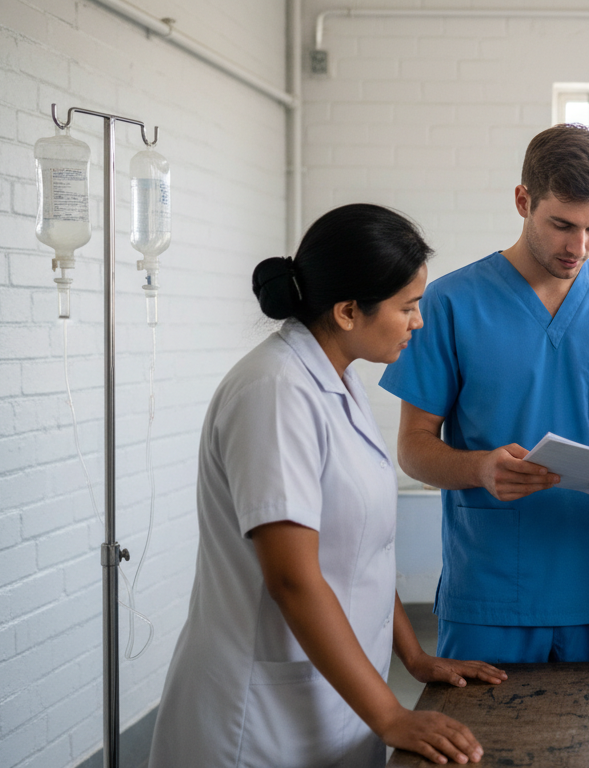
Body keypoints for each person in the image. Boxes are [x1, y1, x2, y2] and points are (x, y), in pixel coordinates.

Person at [150, 204, 506, 768]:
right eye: (408, 307)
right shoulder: (274, 392)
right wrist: (391, 714)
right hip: (259, 719)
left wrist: (413, 657)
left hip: (335, 697)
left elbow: (364, 549)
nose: (419, 322)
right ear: (346, 311)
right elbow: (293, 577)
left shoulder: (338, 380)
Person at [381, 124, 589, 664]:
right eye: (563, 225)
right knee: (489, 748)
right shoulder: (450, 303)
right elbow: (414, 448)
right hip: (490, 596)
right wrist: (480, 470)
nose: (579, 247)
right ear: (523, 201)